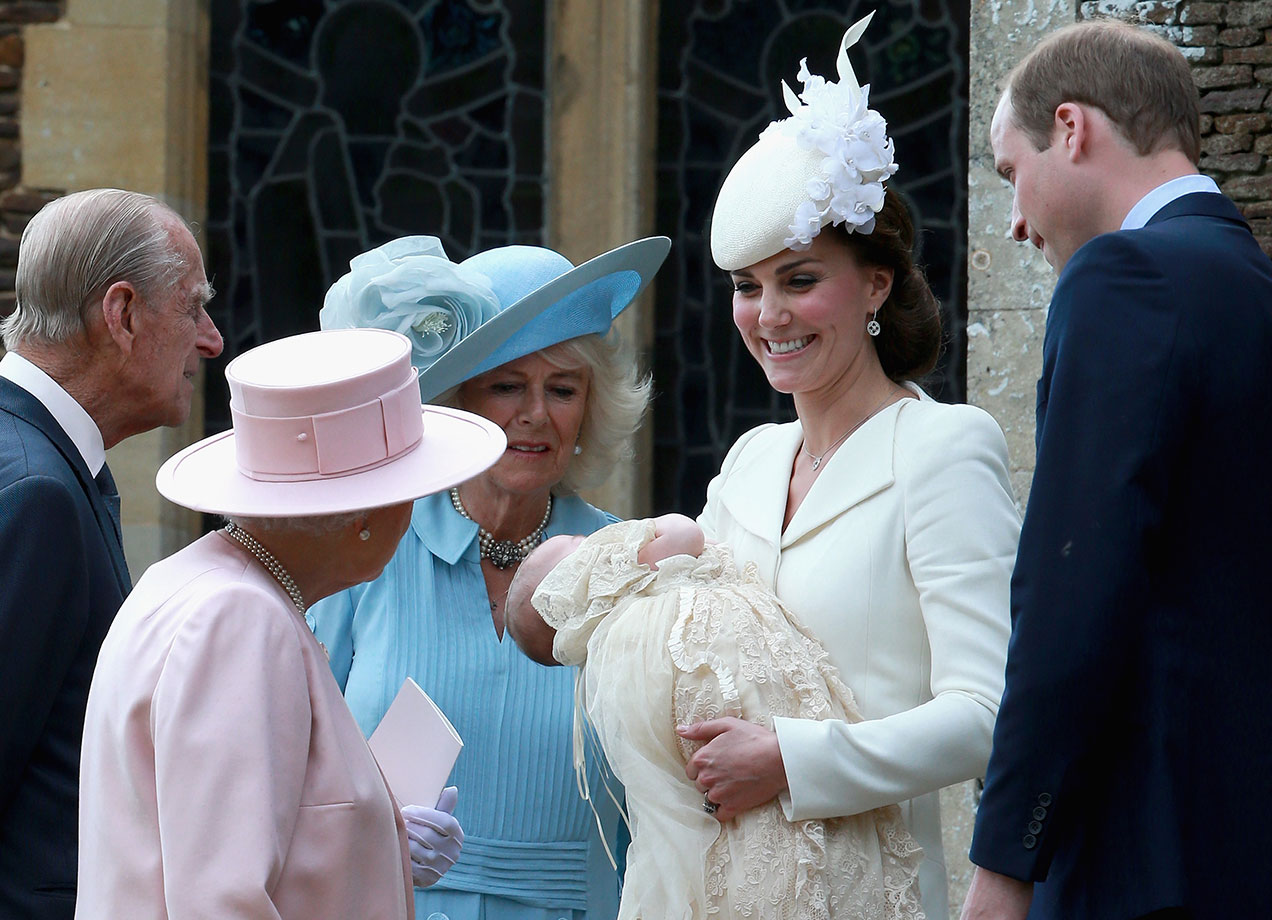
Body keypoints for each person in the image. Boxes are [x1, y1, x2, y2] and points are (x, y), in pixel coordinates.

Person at [680, 15, 1021, 920]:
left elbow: (988, 713)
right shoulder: (748, 462)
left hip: (871, 891)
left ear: (876, 282)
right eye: (747, 287)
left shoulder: (943, 448)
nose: (769, 315)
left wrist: (792, 761)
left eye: (799, 279)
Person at [962, 20, 1272, 920]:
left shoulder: (1123, 277)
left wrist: (1006, 858)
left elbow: (1073, 583)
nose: (1016, 221)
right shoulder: (1249, 287)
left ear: (1071, 128)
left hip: (1144, 860)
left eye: (1011, 173)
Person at [75, 327, 506, 918]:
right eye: (410, 489)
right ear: (363, 515)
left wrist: (377, 843)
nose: (413, 511)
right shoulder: (240, 618)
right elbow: (222, 901)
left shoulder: (203, 584)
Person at [312, 234, 669, 920]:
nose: (535, 413)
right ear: (457, 401)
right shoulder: (366, 549)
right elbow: (286, 754)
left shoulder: (623, 566)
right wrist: (363, 830)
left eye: (562, 389)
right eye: (506, 386)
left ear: (590, 409)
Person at [504, 516, 926, 920]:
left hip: (788, 800)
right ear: (575, 588)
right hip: (803, 796)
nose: (598, 540)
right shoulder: (640, 600)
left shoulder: (617, 659)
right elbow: (686, 533)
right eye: (577, 546)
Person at [0, 188, 224, 918]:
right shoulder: (35, 491)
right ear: (121, 314)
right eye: (193, 307)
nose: (212, 340)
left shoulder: (40, 463)